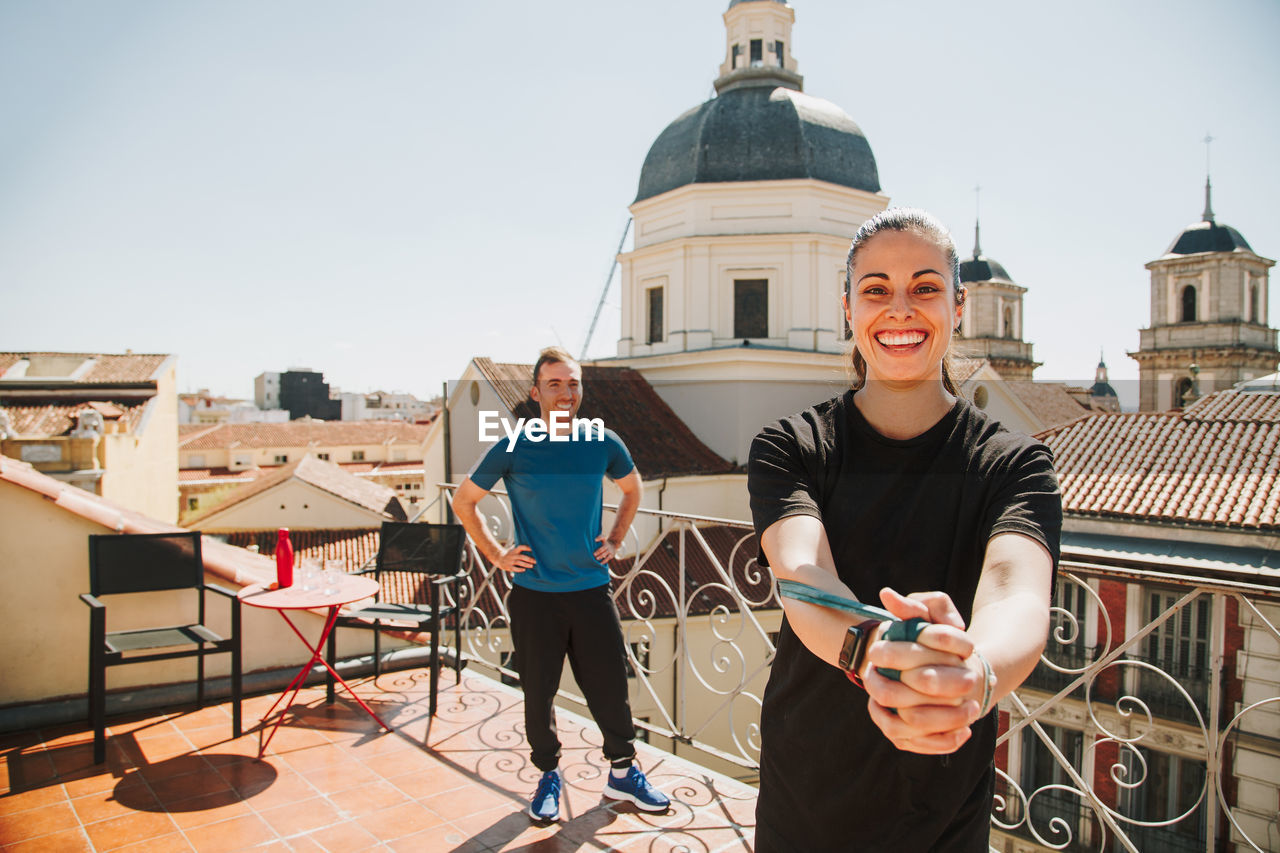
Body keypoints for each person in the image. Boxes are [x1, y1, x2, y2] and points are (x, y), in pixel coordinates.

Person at [747, 208, 1062, 851]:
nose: (899, 309)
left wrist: (974, 673)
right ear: (848, 308)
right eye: (875, 290)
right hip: (808, 791)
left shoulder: (1014, 463)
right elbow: (803, 578)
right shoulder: (789, 446)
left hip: (943, 806)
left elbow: (1018, 595)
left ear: (958, 304)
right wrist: (879, 649)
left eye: (923, 287)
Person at [451, 347, 671, 822]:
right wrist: (496, 554)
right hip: (535, 595)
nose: (565, 393)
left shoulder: (603, 442)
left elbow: (633, 490)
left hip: (591, 590)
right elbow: (464, 502)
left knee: (610, 687)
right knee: (539, 692)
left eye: (572, 384)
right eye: (554, 384)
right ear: (535, 393)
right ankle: (548, 775)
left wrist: (615, 537)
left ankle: (623, 772)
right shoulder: (513, 445)